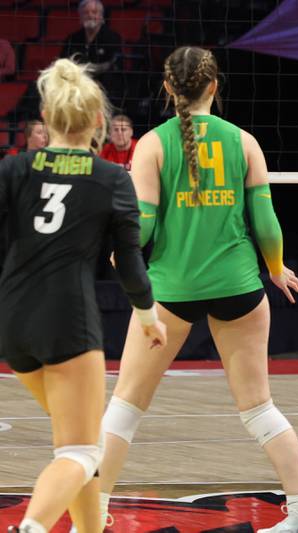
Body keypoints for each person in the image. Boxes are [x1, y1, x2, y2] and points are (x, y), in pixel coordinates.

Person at [95, 47, 298, 533]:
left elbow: (147, 223)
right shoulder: (244, 141)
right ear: (214, 88)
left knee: (125, 408)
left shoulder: (153, 145)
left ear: (167, 89)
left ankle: (91, 517)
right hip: (238, 287)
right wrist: (278, 268)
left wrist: (123, 252)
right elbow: (266, 221)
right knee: (259, 409)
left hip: (172, 291)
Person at [0, 58, 166, 533]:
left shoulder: (13, 169)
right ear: (97, 121)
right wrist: (149, 315)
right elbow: (130, 264)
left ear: (47, 118)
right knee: (79, 450)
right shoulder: (113, 179)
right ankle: (33, 525)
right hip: (68, 322)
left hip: (13, 322)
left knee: (82, 441)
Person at [62, 0, 122, 102]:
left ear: (102, 16)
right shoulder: (72, 39)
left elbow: (114, 67)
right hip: (76, 89)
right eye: (86, 12)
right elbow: (64, 64)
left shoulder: (113, 38)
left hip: (103, 90)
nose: (90, 15)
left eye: (94, 12)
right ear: (80, 17)